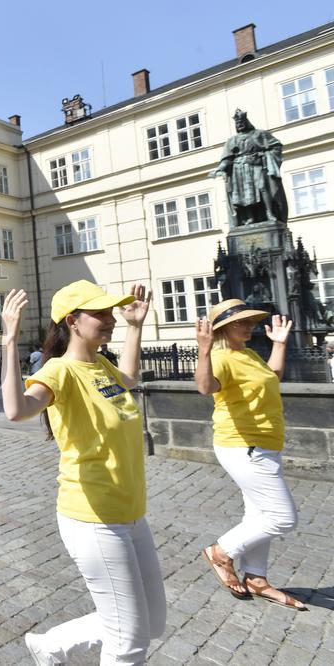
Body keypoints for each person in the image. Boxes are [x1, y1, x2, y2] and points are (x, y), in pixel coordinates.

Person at [1, 280, 165, 665]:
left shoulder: (101, 364)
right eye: (102, 314)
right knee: (129, 643)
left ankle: (52, 646)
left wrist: (136, 327)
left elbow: (128, 378)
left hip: (131, 513)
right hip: (93, 519)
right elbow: (17, 410)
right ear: (73, 321)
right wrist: (9, 340)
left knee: (152, 624)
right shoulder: (60, 371)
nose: (111, 320)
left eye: (111, 313)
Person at [194, 299, 306, 611]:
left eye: (250, 320)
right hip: (243, 445)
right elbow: (205, 387)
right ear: (223, 328)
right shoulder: (220, 356)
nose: (248, 325)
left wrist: (280, 345)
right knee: (282, 517)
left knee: (259, 516)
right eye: (240, 321)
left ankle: (257, 579)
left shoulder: (249, 353)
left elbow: (272, 376)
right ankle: (221, 552)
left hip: (265, 444)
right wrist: (204, 350)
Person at [208, 109, 288, 227]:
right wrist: (220, 168)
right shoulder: (232, 140)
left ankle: (269, 213)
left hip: (256, 165)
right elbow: (227, 158)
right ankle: (249, 217)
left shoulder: (259, 134)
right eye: (237, 123)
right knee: (243, 193)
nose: (239, 125)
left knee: (263, 187)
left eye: (241, 122)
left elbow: (276, 146)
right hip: (238, 168)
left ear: (246, 122)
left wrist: (265, 155)